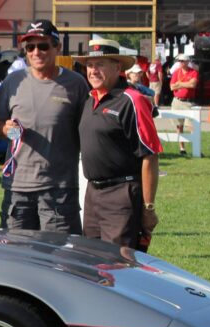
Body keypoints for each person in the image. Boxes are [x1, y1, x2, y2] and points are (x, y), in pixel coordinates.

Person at [0, 19, 88, 234]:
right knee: (17, 259)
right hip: (18, 188)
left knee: (59, 261)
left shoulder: (76, 83)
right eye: (30, 47)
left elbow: (89, 131)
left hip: (59, 191)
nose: (36, 52)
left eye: (43, 46)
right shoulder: (13, 81)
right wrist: (5, 129)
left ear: (57, 47)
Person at [76, 39, 162, 251]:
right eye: (89, 65)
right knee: (91, 263)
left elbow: (149, 155)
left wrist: (148, 207)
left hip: (121, 194)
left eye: (100, 64)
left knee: (118, 266)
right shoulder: (89, 100)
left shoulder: (133, 100)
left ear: (117, 68)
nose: (93, 71)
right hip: (92, 194)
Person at [170, 53, 198, 156]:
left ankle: (196, 148)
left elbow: (193, 84)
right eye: (179, 61)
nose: (180, 63)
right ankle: (182, 148)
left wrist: (180, 84)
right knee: (179, 126)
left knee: (191, 126)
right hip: (177, 101)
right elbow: (172, 87)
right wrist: (185, 84)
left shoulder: (193, 72)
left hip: (188, 102)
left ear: (187, 62)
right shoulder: (176, 72)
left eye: (182, 61)